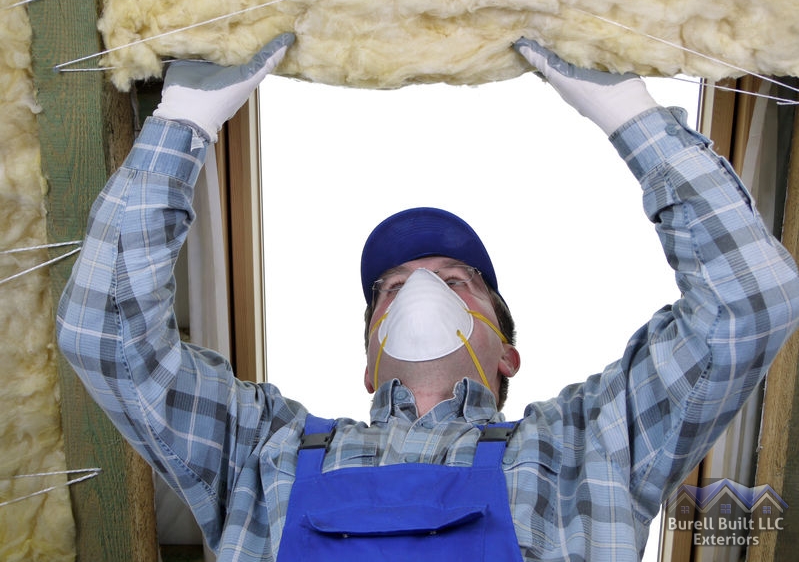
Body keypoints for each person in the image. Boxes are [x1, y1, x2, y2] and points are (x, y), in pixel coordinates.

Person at [56, 31, 799, 561]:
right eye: (387, 288)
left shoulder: (588, 448)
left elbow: (750, 299)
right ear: (368, 364)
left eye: (454, 279)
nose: (414, 285)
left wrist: (633, 120)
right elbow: (105, 336)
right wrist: (181, 124)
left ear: (506, 352)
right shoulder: (261, 449)